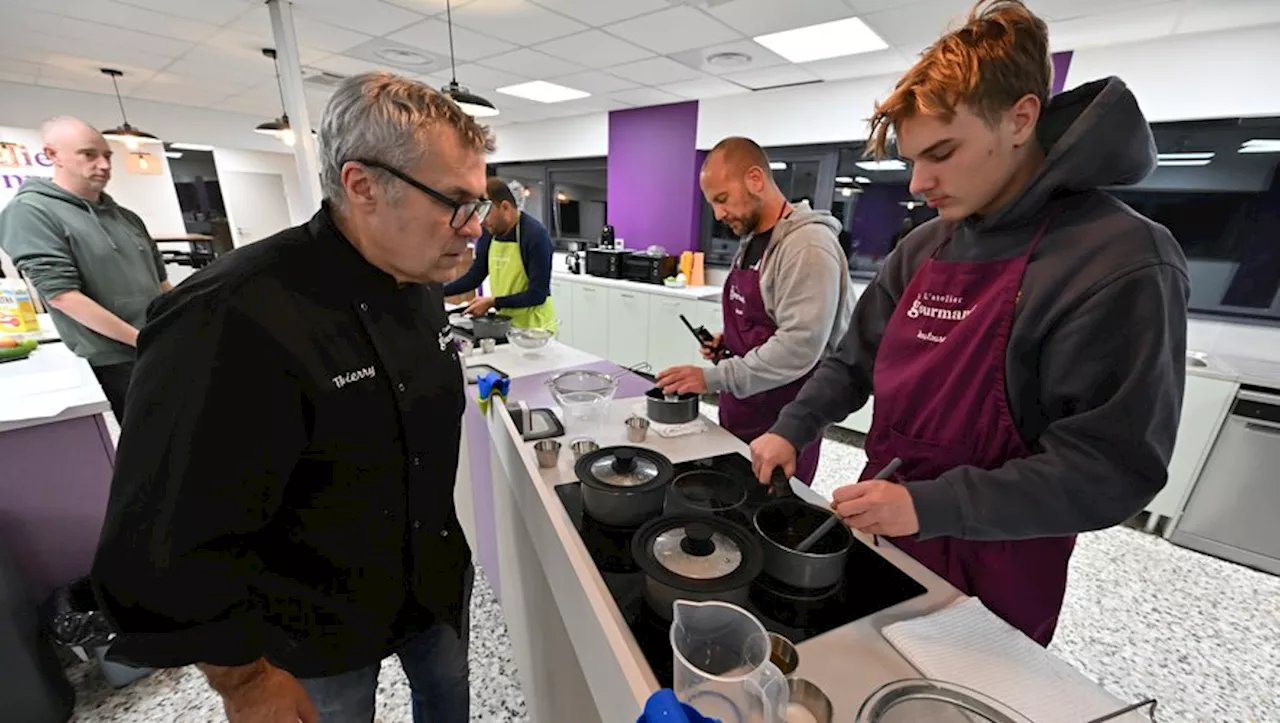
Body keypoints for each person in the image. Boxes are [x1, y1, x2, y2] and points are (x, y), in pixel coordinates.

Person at [750, 0, 1189, 646]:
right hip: (887, 533)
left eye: (943, 152)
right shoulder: (925, 247)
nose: (919, 182)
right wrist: (791, 427)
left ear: (1020, 119)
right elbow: (852, 361)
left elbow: (1110, 468)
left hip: (1000, 564)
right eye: (911, 160)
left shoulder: (1121, 261)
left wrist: (930, 506)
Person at [91, 72, 493, 723]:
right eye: (454, 202)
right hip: (312, 629)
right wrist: (246, 682)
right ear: (362, 185)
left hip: (433, 583)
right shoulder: (227, 316)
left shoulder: (421, 279)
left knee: (448, 699)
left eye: (477, 203)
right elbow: (159, 543)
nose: (473, 228)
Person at [657, 137, 853, 485]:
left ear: (755, 179)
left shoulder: (807, 246)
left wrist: (711, 377)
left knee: (772, 511)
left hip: (784, 414)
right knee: (733, 494)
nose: (718, 214)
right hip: (744, 402)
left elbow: (798, 347)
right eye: (712, 204)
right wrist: (728, 343)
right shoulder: (753, 242)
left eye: (722, 199)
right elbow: (762, 322)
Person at [0, 116, 172, 422]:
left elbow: (161, 282)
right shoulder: (31, 212)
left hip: (157, 347)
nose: (104, 165)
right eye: (89, 154)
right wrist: (141, 339)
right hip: (113, 360)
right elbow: (62, 295)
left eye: (107, 156)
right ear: (52, 155)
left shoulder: (126, 217)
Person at [442, 176, 556, 331]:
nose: (481, 222)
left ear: (505, 207)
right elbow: (475, 277)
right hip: (505, 325)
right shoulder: (489, 233)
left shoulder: (535, 236)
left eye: (486, 213)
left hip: (536, 329)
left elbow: (537, 294)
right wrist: (439, 291)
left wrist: (493, 302)